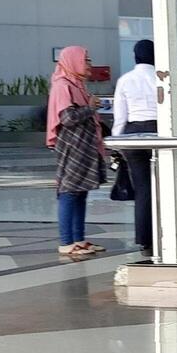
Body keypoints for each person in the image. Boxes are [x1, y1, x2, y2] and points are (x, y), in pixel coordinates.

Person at [46, 46, 108, 257]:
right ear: (73, 61)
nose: (89, 64)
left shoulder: (77, 85)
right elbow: (68, 118)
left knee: (81, 192)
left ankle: (78, 239)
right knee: (70, 192)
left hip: (84, 146)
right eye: (85, 60)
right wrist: (90, 107)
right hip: (73, 148)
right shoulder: (63, 86)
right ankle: (66, 242)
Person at [112, 39, 160, 255]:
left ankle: (145, 240)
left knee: (143, 188)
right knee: (167, 186)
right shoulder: (162, 78)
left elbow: (120, 116)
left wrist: (117, 142)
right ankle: (173, 235)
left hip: (133, 134)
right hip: (160, 132)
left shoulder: (125, 80)